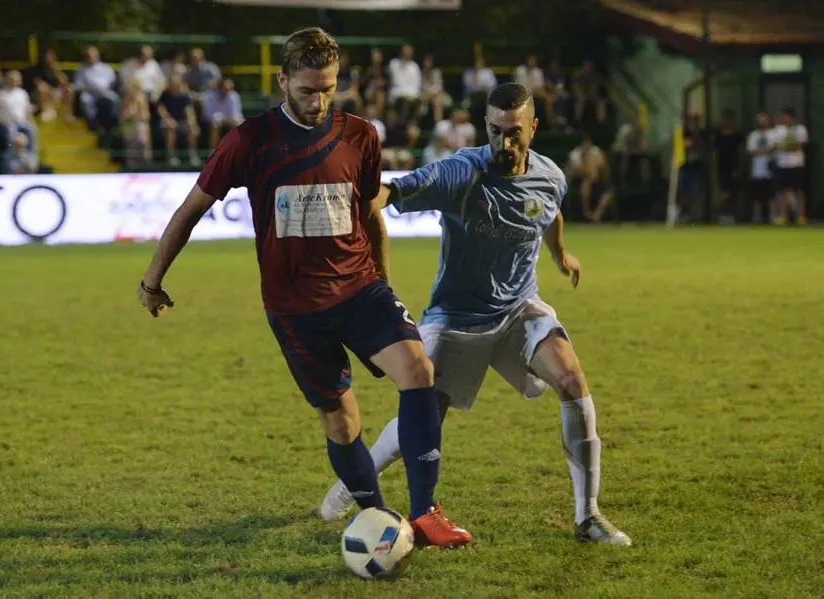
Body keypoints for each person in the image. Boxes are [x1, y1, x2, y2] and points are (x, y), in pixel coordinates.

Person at [136, 27, 471, 549]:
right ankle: (377, 518)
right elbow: (190, 210)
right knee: (341, 422)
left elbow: (369, 213)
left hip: (362, 290)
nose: (318, 101)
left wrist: (383, 281)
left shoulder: (360, 135)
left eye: (328, 89)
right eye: (307, 90)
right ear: (283, 81)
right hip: (296, 310)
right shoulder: (250, 141)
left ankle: (426, 513)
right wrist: (152, 281)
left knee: (419, 369)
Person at [317, 82, 632, 547]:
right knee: (423, 420)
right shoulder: (461, 172)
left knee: (572, 380)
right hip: (456, 317)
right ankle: (350, 483)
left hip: (519, 310)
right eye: (495, 131)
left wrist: (561, 256)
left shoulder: (550, 175)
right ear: (486, 126)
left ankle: (588, 516)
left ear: (534, 128)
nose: (505, 143)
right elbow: (391, 192)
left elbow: (550, 212)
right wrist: (353, 201)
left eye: (515, 132)